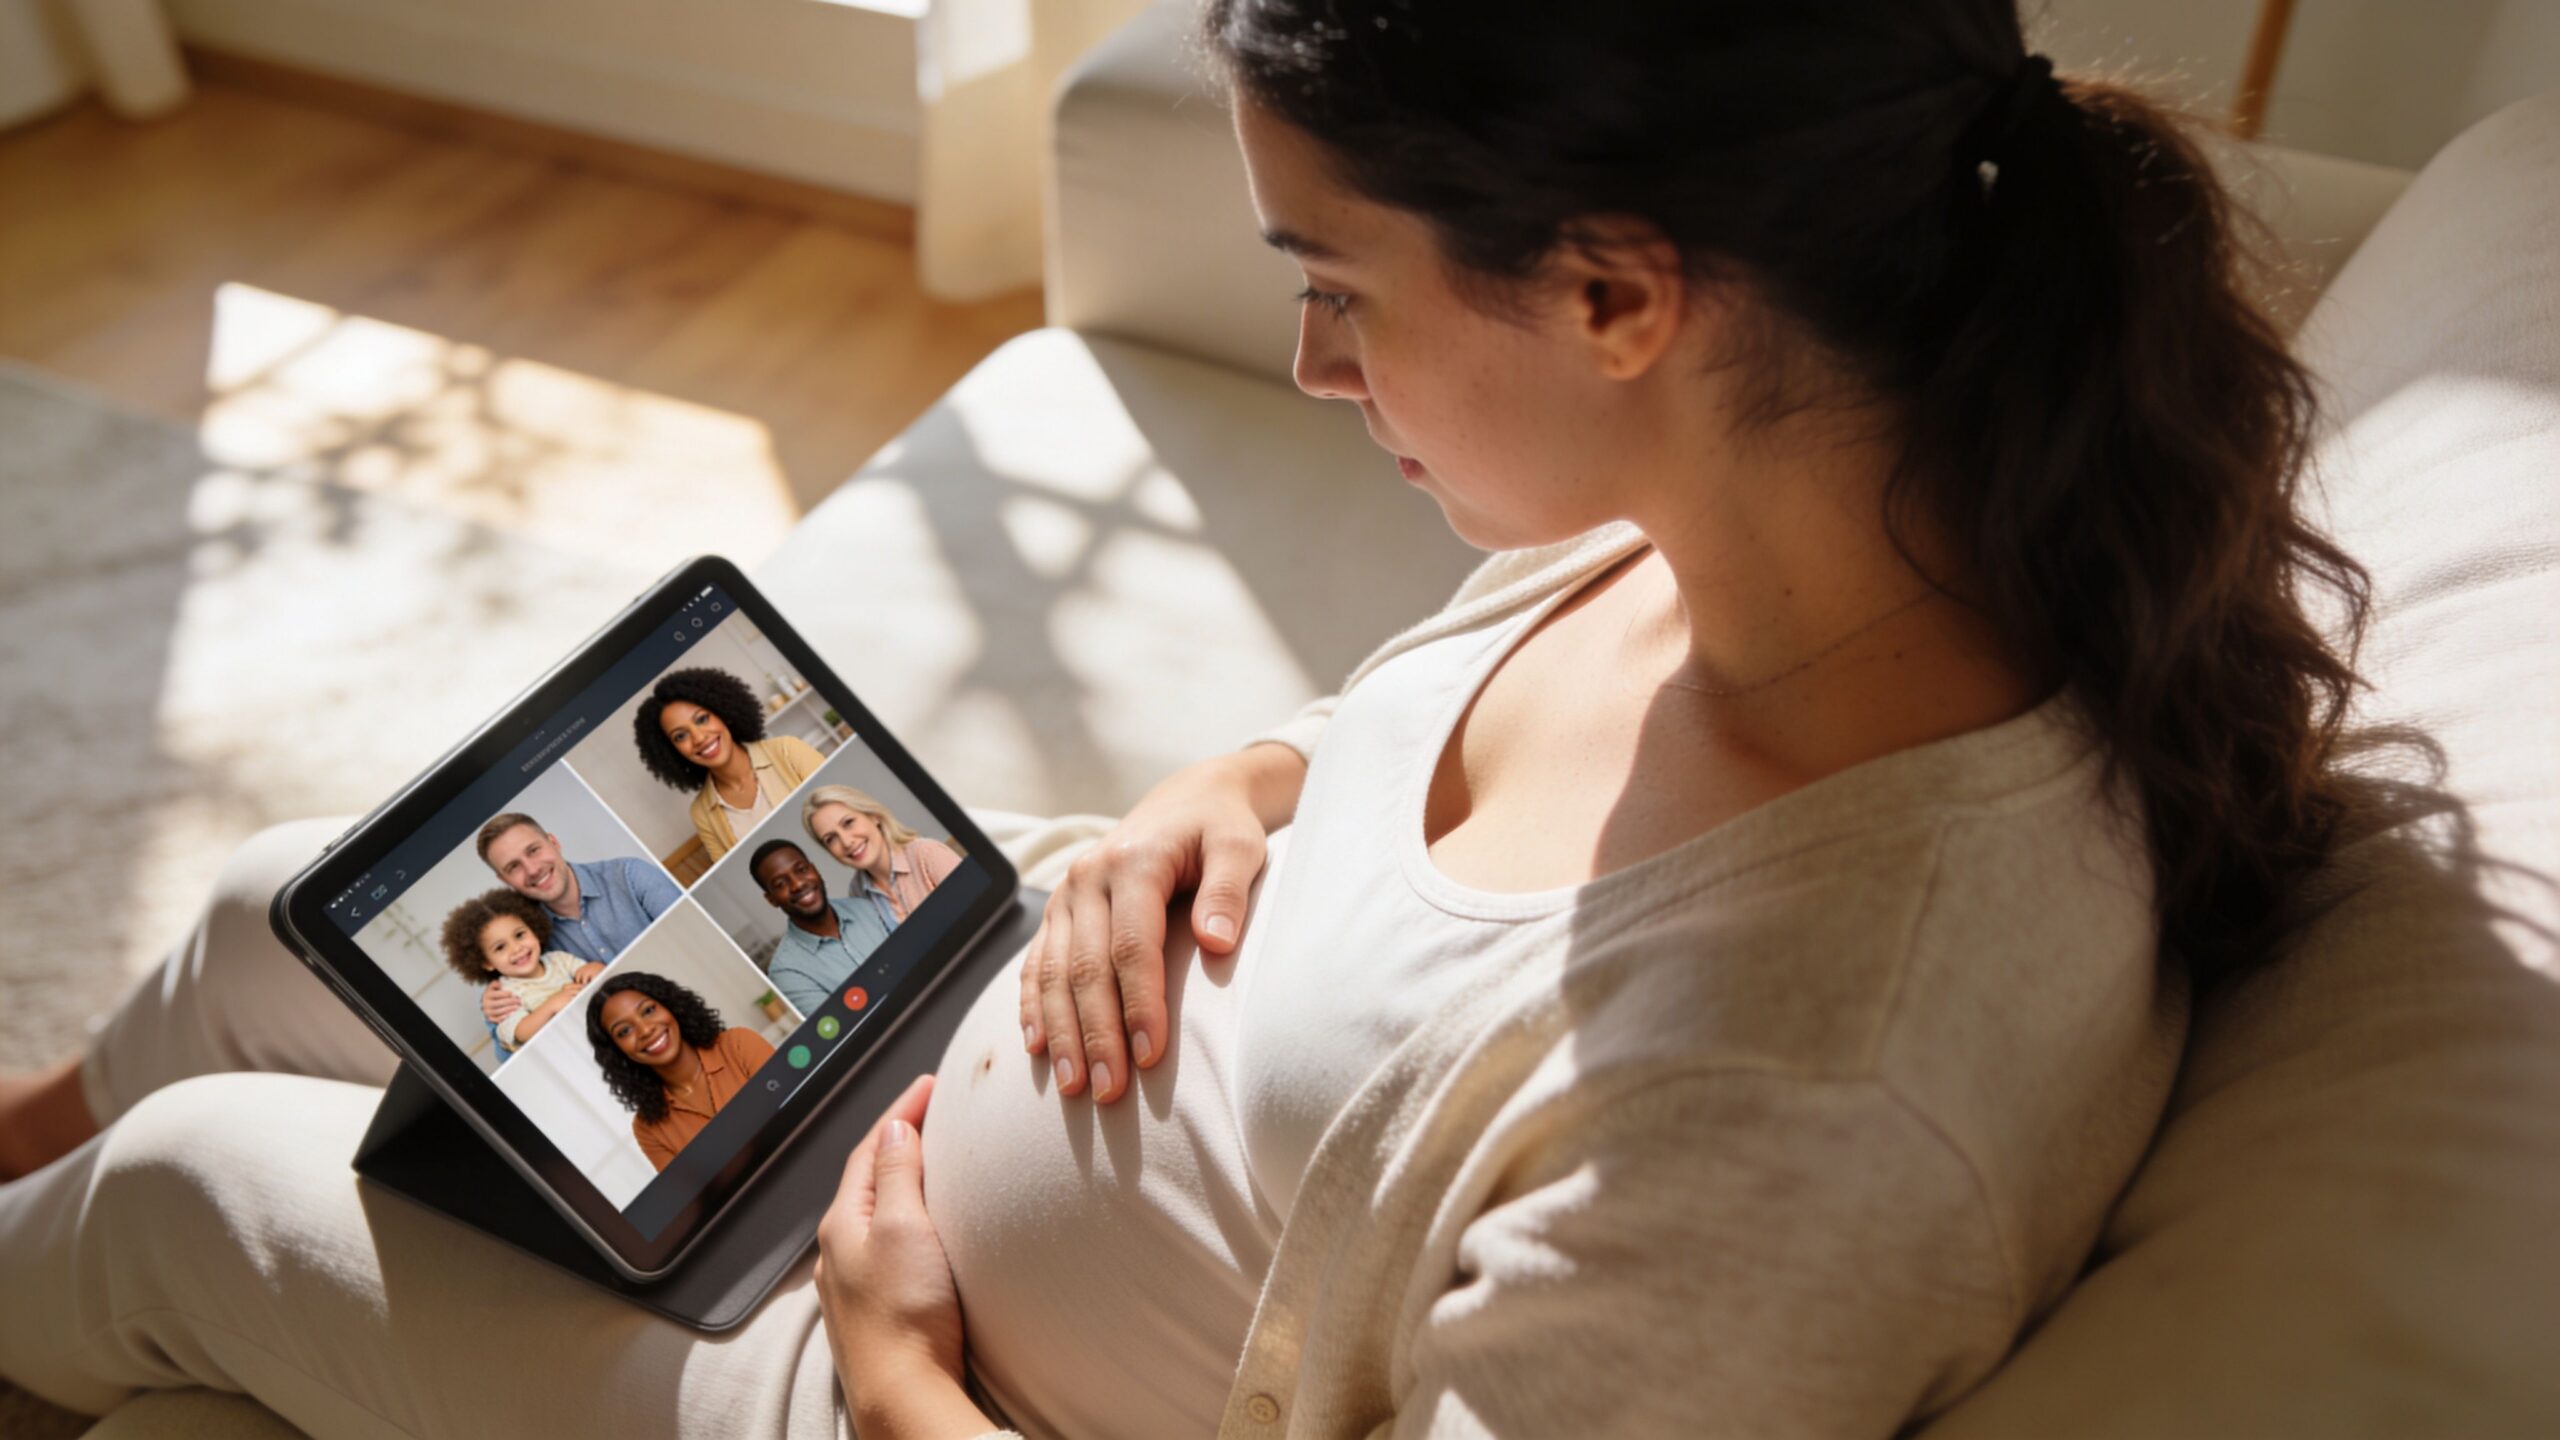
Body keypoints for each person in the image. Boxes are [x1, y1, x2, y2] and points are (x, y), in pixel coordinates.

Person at [0, 3, 2378, 1437]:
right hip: (952, 986)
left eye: (1338, 286)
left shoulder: (1804, 1099)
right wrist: (1218, 787)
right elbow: (1388, 768)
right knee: (274, 915)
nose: (1317, 366)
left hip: (880, 1362)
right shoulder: (1803, 523)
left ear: (1614, 290)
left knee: (193, 1186)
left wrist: (905, 1356)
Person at [471, 812, 682, 1043]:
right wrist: (493, 1019)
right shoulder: (527, 945)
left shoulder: (631, 875)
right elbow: (510, 1055)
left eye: (533, 850)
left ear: (553, 842)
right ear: (505, 880)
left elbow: (694, 932)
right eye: (513, 867)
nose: (532, 870)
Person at [586, 973, 776, 1173]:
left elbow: (795, 1109)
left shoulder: (739, 1045)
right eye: (624, 1031)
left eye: (648, 1010)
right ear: (617, 1050)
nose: (645, 1030)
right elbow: (703, 1195)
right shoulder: (648, 1129)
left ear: (670, 1006)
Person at [634, 667, 826, 864]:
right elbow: (738, 872)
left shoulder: (787, 751)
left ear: (722, 711)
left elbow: (844, 805)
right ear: (672, 751)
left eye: (702, 719)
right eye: (680, 736)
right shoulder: (702, 813)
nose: (699, 738)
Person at [438, 890, 605, 1052]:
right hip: (564, 1049)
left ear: (533, 929)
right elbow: (520, 1032)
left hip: (595, 1029)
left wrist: (595, 968)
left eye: (519, 935)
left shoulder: (559, 960)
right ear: (487, 962)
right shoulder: (506, 994)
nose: (516, 948)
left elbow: (594, 977)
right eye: (500, 947)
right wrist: (552, 1005)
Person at [751, 839, 891, 1016]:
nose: (797, 884)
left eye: (801, 870)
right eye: (780, 884)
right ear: (771, 899)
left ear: (815, 870)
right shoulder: (786, 971)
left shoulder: (868, 906)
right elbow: (842, 1027)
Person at [800, 785, 961, 925]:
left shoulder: (927, 854)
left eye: (848, 823)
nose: (846, 842)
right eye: (831, 839)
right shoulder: (857, 893)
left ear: (873, 815)